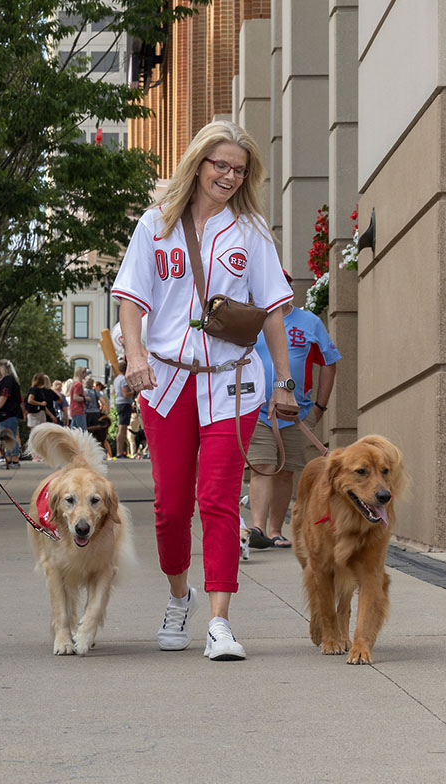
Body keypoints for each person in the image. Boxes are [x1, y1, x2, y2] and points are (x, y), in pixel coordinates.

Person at [112, 120, 294, 661]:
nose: (231, 177)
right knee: (170, 507)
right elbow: (130, 300)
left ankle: (220, 622)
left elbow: (274, 312)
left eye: (240, 170)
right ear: (198, 163)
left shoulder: (252, 231)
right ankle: (178, 596)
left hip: (233, 384)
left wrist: (283, 382)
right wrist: (136, 356)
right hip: (166, 382)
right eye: (222, 166)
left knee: (216, 501)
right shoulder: (155, 225)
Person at [245, 288, 340, 549]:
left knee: (286, 472)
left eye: (283, 286)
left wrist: (320, 406)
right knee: (261, 467)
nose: (277, 291)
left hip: (297, 413)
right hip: (258, 410)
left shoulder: (310, 322)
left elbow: (330, 361)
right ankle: (258, 528)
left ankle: (275, 530)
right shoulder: (252, 318)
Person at [0, 359, 22, 468]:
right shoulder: (7, 380)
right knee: (6, 437)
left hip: (7, 413)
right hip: (4, 415)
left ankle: (14, 459)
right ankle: (9, 459)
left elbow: (4, 395)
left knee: (9, 436)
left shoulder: (8, 380)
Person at [111, 360, 133, 458]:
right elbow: (125, 394)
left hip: (119, 403)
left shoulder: (117, 379)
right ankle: (119, 452)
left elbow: (114, 392)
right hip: (124, 404)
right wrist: (134, 391)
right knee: (122, 428)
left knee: (122, 428)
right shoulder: (124, 379)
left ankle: (119, 451)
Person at [67, 366, 87, 430]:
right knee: (83, 431)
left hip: (74, 410)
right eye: (85, 373)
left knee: (74, 430)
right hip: (79, 409)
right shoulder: (79, 384)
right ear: (82, 373)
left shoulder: (74, 383)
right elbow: (75, 397)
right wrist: (85, 398)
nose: (86, 375)